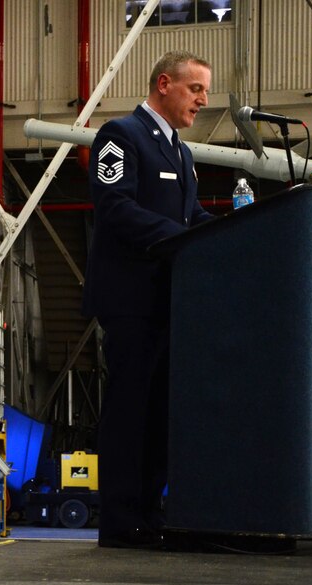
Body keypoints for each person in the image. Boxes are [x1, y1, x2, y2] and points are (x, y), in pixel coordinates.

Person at [81, 51, 215, 550]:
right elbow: (115, 208)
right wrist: (182, 237)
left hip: (169, 303)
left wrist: (230, 232)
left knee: (160, 412)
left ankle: (148, 511)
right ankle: (119, 520)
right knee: (130, 410)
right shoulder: (122, 136)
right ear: (165, 84)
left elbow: (191, 213)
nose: (203, 100)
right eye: (196, 89)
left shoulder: (181, 152)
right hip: (131, 301)